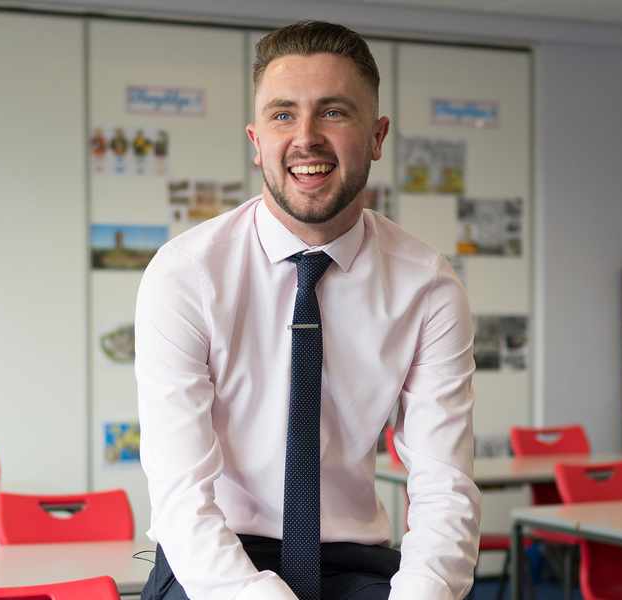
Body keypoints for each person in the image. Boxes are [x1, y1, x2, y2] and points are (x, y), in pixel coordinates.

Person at [135, 20, 481, 600]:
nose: (306, 137)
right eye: (282, 114)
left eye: (334, 112)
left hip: (353, 565)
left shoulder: (429, 288)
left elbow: (445, 488)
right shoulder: (185, 274)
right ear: (256, 141)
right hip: (216, 560)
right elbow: (180, 498)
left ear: (377, 135)